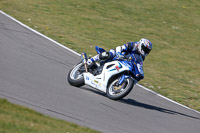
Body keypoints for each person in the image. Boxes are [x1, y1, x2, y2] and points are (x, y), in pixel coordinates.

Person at [87, 38, 152, 81]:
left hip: (125, 64)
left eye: (147, 50)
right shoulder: (133, 45)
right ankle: (91, 60)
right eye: (145, 49)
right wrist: (118, 53)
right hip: (119, 56)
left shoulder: (142, 57)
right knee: (110, 54)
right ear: (140, 45)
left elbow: (138, 65)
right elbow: (121, 47)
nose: (145, 51)